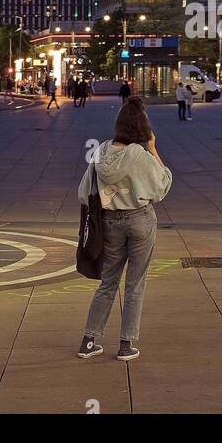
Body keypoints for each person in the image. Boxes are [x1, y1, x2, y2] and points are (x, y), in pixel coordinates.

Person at [77, 97, 171, 362]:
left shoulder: (101, 152)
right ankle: (126, 344)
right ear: (143, 128)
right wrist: (153, 148)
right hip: (139, 219)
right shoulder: (140, 155)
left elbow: (85, 192)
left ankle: (89, 340)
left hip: (109, 222)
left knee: (108, 282)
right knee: (135, 283)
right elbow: (162, 186)